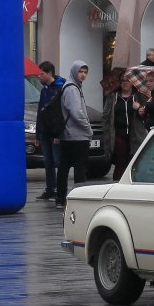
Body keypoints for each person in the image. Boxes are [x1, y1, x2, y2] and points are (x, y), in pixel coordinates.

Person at [54, 61, 92, 207]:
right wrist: (88, 130)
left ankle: (61, 198)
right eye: (80, 71)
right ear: (74, 72)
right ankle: (78, 200)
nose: (83, 75)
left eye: (85, 72)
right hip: (76, 136)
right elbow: (77, 113)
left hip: (69, 135)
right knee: (79, 169)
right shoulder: (72, 88)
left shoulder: (73, 86)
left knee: (64, 168)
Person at [34, 61, 65, 201]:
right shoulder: (44, 90)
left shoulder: (59, 89)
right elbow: (40, 113)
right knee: (48, 162)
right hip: (45, 132)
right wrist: (38, 134)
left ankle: (60, 189)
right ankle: (50, 188)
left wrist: (59, 134)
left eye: (42, 73)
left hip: (55, 132)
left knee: (58, 161)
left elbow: (61, 113)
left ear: (49, 73)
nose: (39, 76)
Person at [105, 68, 134, 179]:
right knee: (120, 161)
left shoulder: (137, 96)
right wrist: (107, 131)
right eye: (122, 81)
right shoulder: (113, 96)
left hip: (134, 134)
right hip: (118, 133)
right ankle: (116, 183)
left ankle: (130, 184)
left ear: (132, 82)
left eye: (127, 80)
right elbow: (105, 115)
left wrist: (140, 109)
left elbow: (145, 112)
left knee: (132, 161)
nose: (125, 83)